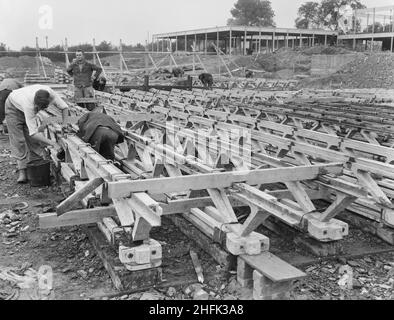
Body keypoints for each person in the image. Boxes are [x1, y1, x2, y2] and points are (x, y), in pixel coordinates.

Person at [5, 85, 68, 183]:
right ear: (35, 104)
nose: (40, 110)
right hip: (13, 107)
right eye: (39, 108)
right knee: (18, 140)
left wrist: (65, 125)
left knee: (33, 141)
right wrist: (53, 143)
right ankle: (22, 171)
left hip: (22, 102)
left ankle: (37, 167)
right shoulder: (29, 105)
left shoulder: (51, 94)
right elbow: (33, 133)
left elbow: (65, 108)